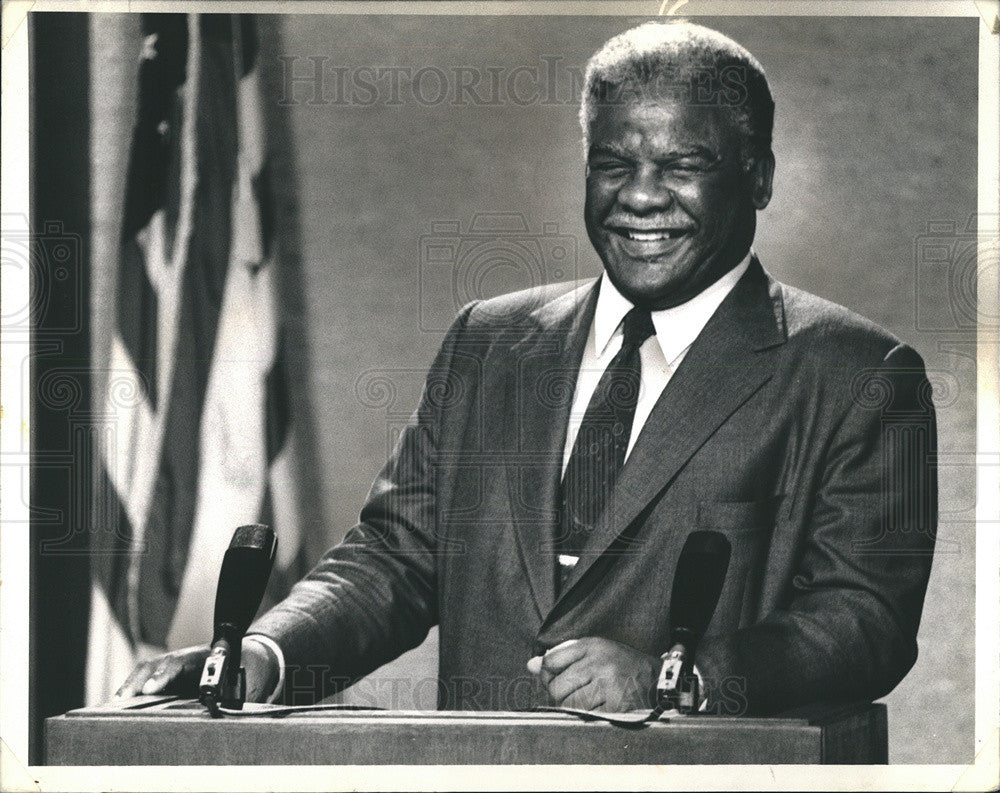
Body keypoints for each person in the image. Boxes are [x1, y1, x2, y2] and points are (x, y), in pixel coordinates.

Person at [117, 20, 937, 716]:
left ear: (757, 177)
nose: (640, 197)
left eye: (683, 166)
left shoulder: (860, 375)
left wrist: (674, 679)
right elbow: (396, 556)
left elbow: (864, 618)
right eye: (614, 164)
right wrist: (265, 653)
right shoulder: (492, 340)